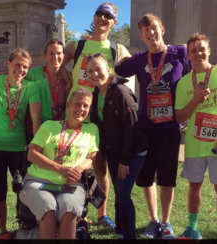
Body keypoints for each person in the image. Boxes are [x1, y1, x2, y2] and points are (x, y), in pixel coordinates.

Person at [115, 13, 192, 239]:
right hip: (146, 127)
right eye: (146, 30)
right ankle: (154, 220)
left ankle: (167, 222)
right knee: (147, 177)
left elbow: (198, 66)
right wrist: (119, 49)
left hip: (170, 127)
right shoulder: (139, 58)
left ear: (162, 29)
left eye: (154, 28)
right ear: (141, 35)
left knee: (167, 176)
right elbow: (118, 70)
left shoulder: (180, 52)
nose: (151, 33)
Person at [63, 2, 131, 229]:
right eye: (99, 14)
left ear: (114, 22)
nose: (102, 18)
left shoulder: (118, 49)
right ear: (94, 17)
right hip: (75, 115)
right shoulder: (76, 45)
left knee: (100, 169)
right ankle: (78, 214)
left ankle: (102, 214)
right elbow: (53, 65)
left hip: (103, 118)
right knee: (73, 165)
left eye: (107, 15)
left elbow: (139, 70)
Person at [19, 88, 99, 239]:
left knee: (70, 208)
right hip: (38, 180)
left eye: (85, 106)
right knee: (47, 207)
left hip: (71, 183)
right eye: (77, 104)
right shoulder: (49, 126)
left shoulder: (91, 129)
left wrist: (78, 169)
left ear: (90, 109)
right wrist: (60, 169)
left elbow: (90, 158)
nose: (81, 109)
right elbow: (32, 153)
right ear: (68, 105)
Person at [175, 33, 217, 239]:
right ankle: (193, 228)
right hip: (195, 144)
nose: (198, 53)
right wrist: (194, 102)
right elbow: (179, 116)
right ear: (188, 55)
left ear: (209, 50)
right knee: (194, 188)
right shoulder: (183, 83)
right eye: (193, 51)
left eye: (202, 49)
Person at [87, 53, 148, 239]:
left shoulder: (121, 91)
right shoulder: (97, 93)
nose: (95, 73)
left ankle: (129, 236)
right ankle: (121, 232)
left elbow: (133, 127)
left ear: (108, 69)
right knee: (118, 189)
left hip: (133, 150)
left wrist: (125, 160)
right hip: (113, 151)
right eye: (90, 71)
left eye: (98, 68)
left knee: (122, 193)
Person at [0, 48, 41, 239]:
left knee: (24, 191)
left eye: (25, 67)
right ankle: (3, 231)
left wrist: (35, 145)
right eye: (17, 64)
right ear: (8, 64)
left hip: (18, 148)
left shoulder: (30, 87)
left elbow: (35, 118)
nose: (21, 69)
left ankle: (24, 225)